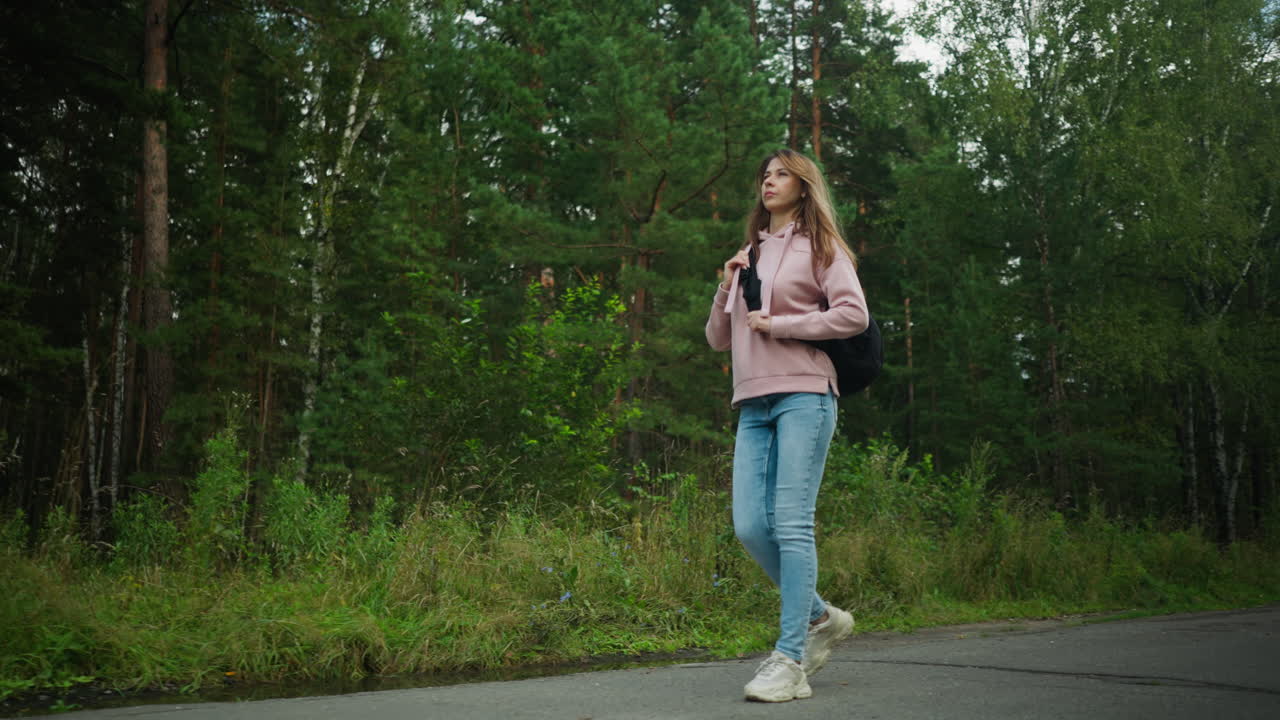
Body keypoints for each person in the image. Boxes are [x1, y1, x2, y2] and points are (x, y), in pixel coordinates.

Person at [705, 148, 868, 702]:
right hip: (753, 402)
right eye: (765, 175)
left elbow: (853, 314)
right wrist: (726, 284)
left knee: (792, 524)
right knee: (751, 527)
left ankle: (790, 659)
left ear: (803, 185)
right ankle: (821, 617)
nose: (768, 181)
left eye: (780, 174)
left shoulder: (822, 247)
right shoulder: (749, 253)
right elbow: (718, 338)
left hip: (805, 393)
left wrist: (781, 324)